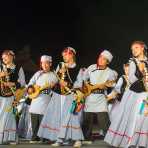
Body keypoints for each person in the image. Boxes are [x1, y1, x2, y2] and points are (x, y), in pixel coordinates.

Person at [38, 47, 84, 147]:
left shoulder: (78, 68)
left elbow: (79, 84)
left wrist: (68, 84)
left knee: (72, 117)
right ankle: (59, 139)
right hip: (58, 95)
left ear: (71, 55)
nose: (64, 57)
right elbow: (55, 78)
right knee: (57, 117)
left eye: (65, 55)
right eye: (63, 55)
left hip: (70, 95)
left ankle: (78, 139)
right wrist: (59, 74)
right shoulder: (60, 65)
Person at [104, 41, 148, 147]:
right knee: (133, 118)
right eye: (132, 49)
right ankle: (130, 142)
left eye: (136, 48)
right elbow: (132, 79)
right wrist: (140, 71)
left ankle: (140, 142)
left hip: (145, 95)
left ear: (142, 48)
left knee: (143, 117)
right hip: (134, 95)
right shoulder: (133, 62)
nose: (134, 50)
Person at [82, 50, 117, 143]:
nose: (100, 59)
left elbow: (113, 84)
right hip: (90, 96)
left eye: (104, 59)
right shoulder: (91, 67)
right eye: (100, 57)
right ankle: (86, 137)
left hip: (101, 97)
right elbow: (84, 79)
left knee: (104, 120)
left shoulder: (110, 72)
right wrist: (88, 86)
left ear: (108, 62)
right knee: (87, 119)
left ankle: (111, 139)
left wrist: (107, 85)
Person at [27, 55, 58, 143]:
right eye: (42, 63)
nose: (44, 65)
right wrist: (30, 88)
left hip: (46, 100)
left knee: (44, 119)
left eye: (46, 63)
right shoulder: (38, 73)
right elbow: (30, 83)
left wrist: (53, 86)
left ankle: (44, 138)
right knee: (34, 120)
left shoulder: (54, 75)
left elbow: (57, 88)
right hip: (35, 99)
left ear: (50, 64)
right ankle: (35, 137)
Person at [0, 49, 26, 144]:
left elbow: (23, 83)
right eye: (2, 57)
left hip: (11, 96)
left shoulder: (18, 68)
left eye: (5, 56)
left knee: (10, 115)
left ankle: (10, 138)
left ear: (11, 57)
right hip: (0, 96)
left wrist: (13, 84)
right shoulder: (1, 68)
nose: (3, 59)